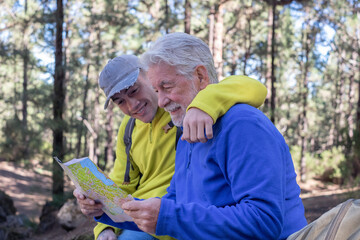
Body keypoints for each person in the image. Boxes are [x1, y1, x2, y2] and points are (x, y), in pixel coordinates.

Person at [93, 33, 308, 239]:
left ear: (201, 76)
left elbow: (264, 221)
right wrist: (104, 210)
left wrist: (168, 217)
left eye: (167, 87)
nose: (161, 102)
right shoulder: (188, 133)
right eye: (157, 91)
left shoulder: (242, 125)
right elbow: (173, 204)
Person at [74, 54, 268, 240]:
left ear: (148, 75)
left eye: (134, 90)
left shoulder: (179, 107)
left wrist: (204, 105)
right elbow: (123, 183)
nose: (132, 105)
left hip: (178, 215)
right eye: (120, 101)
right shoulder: (129, 127)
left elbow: (256, 88)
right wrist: (104, 225)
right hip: (140, 216)